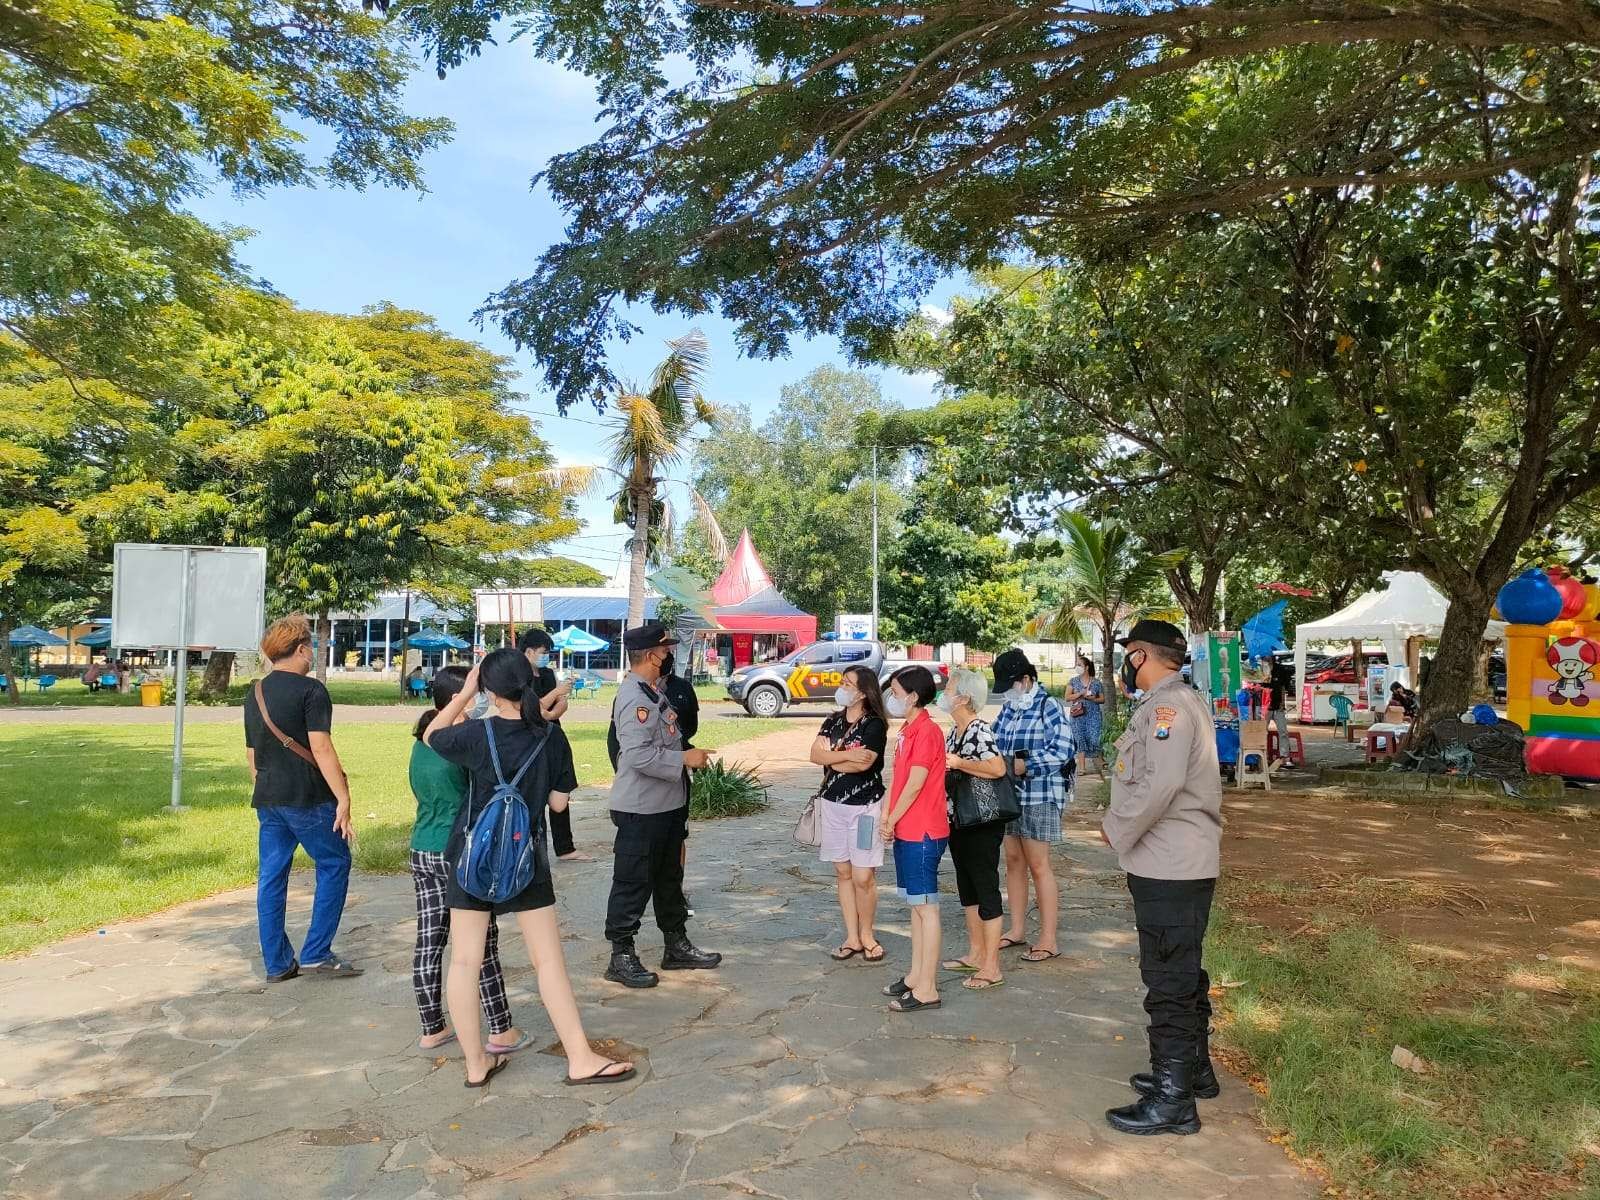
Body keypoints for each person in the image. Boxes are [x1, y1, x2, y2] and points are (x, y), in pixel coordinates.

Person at [424, 649, 635, 1089]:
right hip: (526, 858)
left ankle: (476, 1064)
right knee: (548, 962)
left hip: (472, 858)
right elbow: (558, 803)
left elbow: (432, 735)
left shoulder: (477, 734)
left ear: (488, 688)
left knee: (464, 961)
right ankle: (579, 1057)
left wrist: (465, 693)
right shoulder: (552, 737)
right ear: (531, 682)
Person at [1101, 619, 1224, 1137]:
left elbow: (1161, 783)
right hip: (1177, 863)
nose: (1125, 666)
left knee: (1169, 978)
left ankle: (1174, 1102)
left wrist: (1116, 828)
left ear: (1139, 657)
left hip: (1169, 865)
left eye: (1128, 655)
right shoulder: (1177, 703)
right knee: (1183, 970)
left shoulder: (1169, 709)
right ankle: (1192, 1072)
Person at [408, 665, 526, 1054]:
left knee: (429, 940)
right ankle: (500, 1028)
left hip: (422, 847)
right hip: (459, 853)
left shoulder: (421, 741)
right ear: (463, 696)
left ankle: (432, 1026)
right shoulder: (459, 745)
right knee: (480, 945)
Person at [242, 613, 360, 981]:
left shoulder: (256, 691)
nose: (313, 654)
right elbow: (321, 747)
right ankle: (316, 951)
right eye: (312, 648)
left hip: (269, 796)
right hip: (308, 796)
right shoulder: (312, 691)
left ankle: (277, 963)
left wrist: (265, 786)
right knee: (334, 862)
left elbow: (251, 752)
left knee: (272, 876)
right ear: (302, 649)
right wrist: (343, 797)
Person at [603, 623, 721, 989]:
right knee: (632, 881)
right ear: (653, 655)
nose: (669, 655)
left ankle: (676, 944)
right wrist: (684, 759)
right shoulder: (635, 698)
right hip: (642, 808)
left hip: (665, 806)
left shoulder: (651, 692)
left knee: (669, 878)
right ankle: (621, 955)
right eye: (665, 650)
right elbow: (637, 755)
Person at [991, 648, 1075, 963]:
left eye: (1011, 686)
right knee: (1013, 860)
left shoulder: (1048, 706)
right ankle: (1017, 929)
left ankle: (1048, 938)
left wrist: (1029, 764)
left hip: (1040, 794)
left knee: (1039, 865)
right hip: (1010, 795)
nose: (1008, 694)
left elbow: (1064, 748)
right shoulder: (1009, 710)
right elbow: (993, 742)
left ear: (1026, 680)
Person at [879, 666, 948, 1012]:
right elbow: (897, 779)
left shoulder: (928, 732)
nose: (892, 698)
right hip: (906, 829)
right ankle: (916, 976)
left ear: (914, 696)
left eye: (895, 691)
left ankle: (928, 988)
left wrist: (892, 817)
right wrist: (886, 817)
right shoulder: (908, 731)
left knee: (927, 908)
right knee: (916, 909)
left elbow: (916, 783)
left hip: (923, 830)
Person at [810, 664, 889, 963]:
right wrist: (843, 757)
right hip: (832, 806)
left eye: (847, 683)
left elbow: (865, 764)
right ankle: (852, 937)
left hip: (865, 809)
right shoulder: (832, 722)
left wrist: (834, 759)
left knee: (863, 875)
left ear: (863, 692)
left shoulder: (875, 725)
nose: (842, 687)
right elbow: (816, 755)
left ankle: (868, 934)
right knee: (842, 872)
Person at [940, 667, 1008, 991]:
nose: (945, 691)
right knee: (967, 890)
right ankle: (976, 953)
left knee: (986, 890)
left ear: (964, 696)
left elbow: (997, 767)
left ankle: (992, 966)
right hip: (959, 820)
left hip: (981, 822)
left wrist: (959, 763)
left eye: (950, 687)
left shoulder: (979, 729)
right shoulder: (954, 731)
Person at [516, 628, 591, 863]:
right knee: (535, 793)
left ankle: (565, 846)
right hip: (529, 742)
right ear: (528, 652)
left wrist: (548, 715)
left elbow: (561, 704)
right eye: (542, 652)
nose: (546, 656)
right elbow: (529, 707)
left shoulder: (548, 674)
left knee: (561, 790)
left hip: (553, 736)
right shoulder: (518, 676)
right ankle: (529, 846)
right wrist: (553, 697)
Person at [1066, 656, 1107, 779]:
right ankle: (1082, 767)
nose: (1077, 667)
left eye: (1080, 665)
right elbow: (1067, 697)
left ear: (1087, 667)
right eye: (1076, 664)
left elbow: (1102, 699)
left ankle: (1100, 760)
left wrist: (1093, 698)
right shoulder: (1073, 681)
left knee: (1095, 738)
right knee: (1080, 739)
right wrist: (1080, 694)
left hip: (1093, 715)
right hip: (1077, 715)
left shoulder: (1096, 682)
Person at [1265, 657, 1294, 762]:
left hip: (1278, 706)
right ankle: (1263, 756)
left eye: (1268, 657)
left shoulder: (1279, 669)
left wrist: (1282, 703)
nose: (1266, 659)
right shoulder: (1259, 669)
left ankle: (1285, 755)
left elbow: (1283, 687)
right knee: (1262, 731)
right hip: (1265, 707)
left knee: (1283, 731)